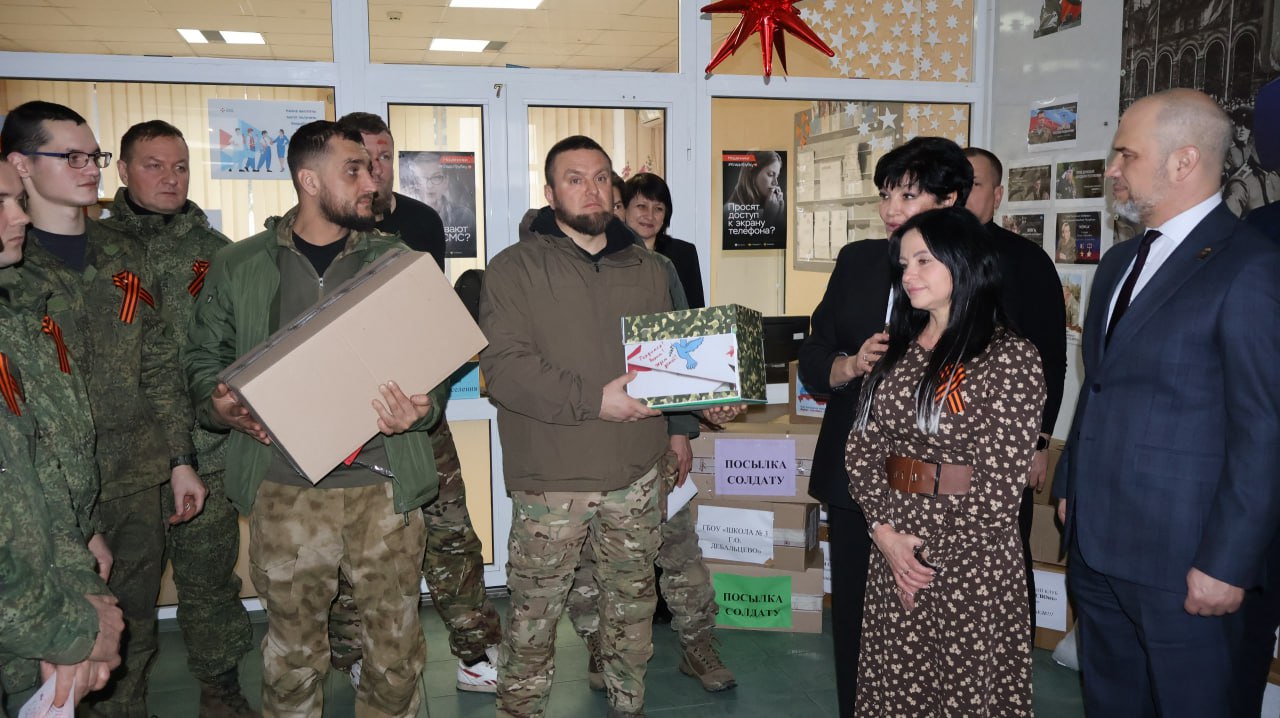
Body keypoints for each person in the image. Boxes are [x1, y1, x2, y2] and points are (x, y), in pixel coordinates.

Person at [183, 120, 450, 717]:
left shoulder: (397, 260)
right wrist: (218, 402)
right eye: (353, 170)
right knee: (293, 657)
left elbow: (433, 358)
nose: (371, 181)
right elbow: (202, 357)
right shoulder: (241, 264)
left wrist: (425, 405)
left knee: (395, 655)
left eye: (371, 168)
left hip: (384, 491)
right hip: (286, 491)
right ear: (308, 180)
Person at [480, 135, 739, 718]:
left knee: (631, 611)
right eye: (574, 179)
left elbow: (673, 361)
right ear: (550, 193)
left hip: (635, 474)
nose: (591, 189)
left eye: (601, 178)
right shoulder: (515, 268)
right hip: (553, 478)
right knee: (533, 622)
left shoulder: (649, 268)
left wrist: (705, 403)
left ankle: (629, 705)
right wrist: (595, 401)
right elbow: (506, 369)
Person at [1053, 88, 1280, 718]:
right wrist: (1071, 485)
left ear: (1184, 161)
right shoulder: (1119, 262)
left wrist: (1228, 563)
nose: (1111, 170)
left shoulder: (1251, 268)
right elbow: (1100, 386)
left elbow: (1265, 431)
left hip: (1187, 562)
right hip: (1098, 546)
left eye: (1126, 154)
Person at [4, 100, 206, 718]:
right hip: (43, 499)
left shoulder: (125, 252)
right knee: (51, 652)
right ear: (21, 164)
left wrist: (179, 459)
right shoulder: (12, 263)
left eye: (93, 155)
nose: (90, 168)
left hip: (132, 478)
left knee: (132, 636)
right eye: (71, 156)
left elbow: (158, 364)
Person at [797, 135, 975, 717]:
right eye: (885, 195)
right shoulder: (857, 261)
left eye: (908, 195)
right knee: (854, 620)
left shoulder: (981, 272)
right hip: (856, 480)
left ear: (949, 200)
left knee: (931, 627)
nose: (891, 210)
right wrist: (850, 366)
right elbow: (814, 354)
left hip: (939, 489)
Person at [326, 111, 502, 694]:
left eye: (385, 156)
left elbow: (433, 318)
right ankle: (352, 654)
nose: (376, 170)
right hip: (352, 420)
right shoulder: (327, 225)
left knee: (452, 533)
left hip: (423, 409)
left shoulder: (422, 221)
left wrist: (435, 391)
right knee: (356, 547)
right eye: (362, 160)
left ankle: (476, 653)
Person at [847, 205, 1045, 716]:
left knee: (961, 692)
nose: (908, 275)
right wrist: (885, 536)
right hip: (894, 538)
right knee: (896, 688)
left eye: (923, 261)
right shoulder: (895, 350)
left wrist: (923, 564)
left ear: (964, 263)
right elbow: (862, 448)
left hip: (969, 558)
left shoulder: (1009, 357)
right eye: (904, 264)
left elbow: (998, 490)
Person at [101, 119, 256, 717]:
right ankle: (119, 700)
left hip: (207, 453)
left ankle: (221, 689)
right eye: (154, 165)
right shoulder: (96, 252)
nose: (171, 178)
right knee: (122, 596)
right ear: (123, 171)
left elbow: (243, 348)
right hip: (125, 466)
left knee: (210, 583)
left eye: (181, 166)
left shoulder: (219, 254)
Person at [566, 171, 731, 694]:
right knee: (588, 557)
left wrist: (681, 431)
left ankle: (698, 645)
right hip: (586, 441)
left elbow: (682, 350)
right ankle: (598, 646)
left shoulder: (661, 268)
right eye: (627, 205)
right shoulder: (561, 268)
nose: (638, 216)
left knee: (679, 547)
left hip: (653, 437)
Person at [0, 159, 125, 715]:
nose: (20, 217)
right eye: (0, 203)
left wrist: (79, 577)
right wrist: (78, 630)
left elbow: (37, 465)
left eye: (16, 199)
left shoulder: (10, 318)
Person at [965, 146, 1067, 638]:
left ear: (998, 194)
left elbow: (1052, 357)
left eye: (974, 184)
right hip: (938, 444)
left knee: (1005, 557)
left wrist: (1040, 441)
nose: (961, 193)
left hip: (1006, 442)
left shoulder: (1027, 262)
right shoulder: (923, 254)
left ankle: (1009, 655)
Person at [623, 173, 705, 309]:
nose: (650, 216)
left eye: (658, 209)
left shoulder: (684, 253)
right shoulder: (613, 254)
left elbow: (696, 313)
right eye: (642, 206)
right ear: (624, 209)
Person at [725, 151, 785, 230]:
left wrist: (779, 215)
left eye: (777, 176)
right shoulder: (730, 211)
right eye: (770, 174)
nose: (776, 182)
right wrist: (769, 219)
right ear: (752, 173)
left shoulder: (763, 211)